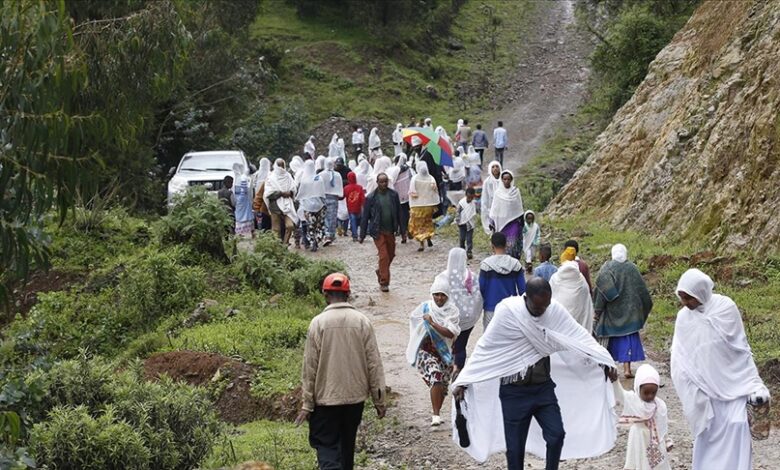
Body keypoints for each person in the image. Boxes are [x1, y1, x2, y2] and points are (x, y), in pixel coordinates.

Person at [452, 278, 617, 469]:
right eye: (538, 307)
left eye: (545, 305)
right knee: (515, 449)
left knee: (556, 435)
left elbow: (579, 337)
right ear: (526, 297)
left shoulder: (553, 310)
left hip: (542, 388)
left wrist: (604, 360)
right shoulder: (508, 312)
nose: (542, 311)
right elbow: (487, 348)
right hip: (513, 392)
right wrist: (464, 380)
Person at [671, 269, 770, 470]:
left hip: (734, 387)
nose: (685, 303)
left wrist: (752, 382)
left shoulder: (726, 308)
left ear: (701, 293)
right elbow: (680, 356)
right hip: (705, 390)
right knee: (708, 433)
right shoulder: (684, 318)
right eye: (682, 298)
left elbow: (739, 349)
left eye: (689, 298)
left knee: (737, 426)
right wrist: (690, 388)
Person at [525, 259, 616, 462]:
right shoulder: (582, 284)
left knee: (555, 381)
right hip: (572, 337)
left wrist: (603, 358)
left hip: (556, 340)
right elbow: (586, 309)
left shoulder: (555, 293)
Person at [296, 273, 387, 470]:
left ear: (325, 295)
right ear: (348, 295)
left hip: (325, 400)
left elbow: (310, 367)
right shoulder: (362, 322)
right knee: (347, 449)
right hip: (355, 400)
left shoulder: (318, 323)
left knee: (327, 449)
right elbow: (374, 363)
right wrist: (379, 400)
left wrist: (307, 404)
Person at [406, 275, 460, 427]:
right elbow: (414, 320)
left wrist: (432, 323)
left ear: (448, 296)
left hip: (445, 353)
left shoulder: (453, 311)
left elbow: (451, 333)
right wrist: (422, 328)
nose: (439, 298)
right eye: (436, 294)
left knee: (443, 385)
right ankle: (435, 415)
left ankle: (438, 411)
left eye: (443, 294)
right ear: (432, 294)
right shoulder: (425, 307)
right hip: (426, 350)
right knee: (435, 377)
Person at [594, 244, 653, 378]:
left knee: (610, 341)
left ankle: (609, 368)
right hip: (630, 313)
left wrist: (597, 311)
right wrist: (644, 308)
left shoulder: (607, 268)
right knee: (627, 338)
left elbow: (602, 292)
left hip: (612, 313)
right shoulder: (632, 268)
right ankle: (627, 369)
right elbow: (642, 291)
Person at [612, 364, 673, 470]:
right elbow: (620, 394)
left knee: (658, 465)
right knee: (640, 463)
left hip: (656, 442)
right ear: (638, 388)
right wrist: (614, 381)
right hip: (639, 439)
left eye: (653, 392)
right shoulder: (634, 401)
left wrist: (667, 440)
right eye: (646, 392)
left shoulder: (659, 405)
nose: (650, 396)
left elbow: (662, 425)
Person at [439, 248, 482, 372]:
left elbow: (435, 296)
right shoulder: (472, 277)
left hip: (448, 320)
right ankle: (459, 371)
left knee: (447, 346)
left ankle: (447, 370)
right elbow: (479, 296)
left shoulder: (443, 277)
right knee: (461, 346)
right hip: (467, 319)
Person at [359, 173, 401, 292]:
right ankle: (384, 282)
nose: (384, 184)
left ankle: (381, 271)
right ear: (377, 183)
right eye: (381, 182)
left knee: (391, 254)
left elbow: (399, 213)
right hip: (378, 231)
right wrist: (361, 235)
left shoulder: (393, 195)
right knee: (384, 256)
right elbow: (365, 217)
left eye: (385, 181)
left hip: (391, 230)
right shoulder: (371, 198)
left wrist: (403, 230)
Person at [479, 232, 525, 328]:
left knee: (490, 340)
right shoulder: (515, 264)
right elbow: (522, 290)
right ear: (506, 244)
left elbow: (481, 288)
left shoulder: (486, 265)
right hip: (510, 309)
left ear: (492, 246)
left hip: (491, 309)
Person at [488, 170, 524, 259]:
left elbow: (519, 207)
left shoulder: (515, 192)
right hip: (502, 222)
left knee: (513, 243)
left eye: (508, 179)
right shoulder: (498, 193)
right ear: (502, 180)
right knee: (502, 243)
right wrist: (492, 222)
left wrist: (522, 220)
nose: (506, 181)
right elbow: (494, 208)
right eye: (504, 179)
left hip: (513, 222)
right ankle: (503, 259)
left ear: (511, 180)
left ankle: (513, 260)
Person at [264, 159, 298, 245]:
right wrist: (280, 193)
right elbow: (268, 193)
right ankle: (277, 249)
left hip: (288, 205)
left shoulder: (288, 176)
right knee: (276, 230)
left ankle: (285, 243)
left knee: (290, 226)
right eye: (279, 165)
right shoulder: (271, 177)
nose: (280, 168)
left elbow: (294, 188)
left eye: (282, 165)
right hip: (275, 206)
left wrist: (290, 193)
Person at [296, 160, 327, 252]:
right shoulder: (319, 178)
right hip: (319, 205)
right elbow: (322, 192)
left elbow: (301, 194)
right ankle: (317, 240)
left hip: (307, 206)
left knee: (310, 225)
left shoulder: (304, 180)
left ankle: (311, 241)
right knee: (318, 224)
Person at [408, 161, 439, 252]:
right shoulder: (431, 178)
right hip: (429, 205)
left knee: (419, 225)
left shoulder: (414, 178)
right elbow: (435, 191)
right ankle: (428, 238)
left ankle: (422, 244)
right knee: (428, 222)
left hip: (417, 205)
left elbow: (412, 192)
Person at [391, 153, 413, 243]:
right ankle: (409, 230)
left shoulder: (394, 171)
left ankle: (403, 234)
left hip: (398, 196)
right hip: (407, 195)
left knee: (400, 217)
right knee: (407, 215)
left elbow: (391, 181)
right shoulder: (409, 169)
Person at [321, 159, 344, 245]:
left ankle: (327, 234)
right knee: (333, 217)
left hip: (324, 197)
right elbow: (339, 186)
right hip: (334, 197)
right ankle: (331, 234)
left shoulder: (321, 175)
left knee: (326, 216)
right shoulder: (337, 175)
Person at [232, 164, 254, 238]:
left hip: (242, 199)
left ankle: (246, 233)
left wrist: (240, 199)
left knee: (242, 216)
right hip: (241, 199)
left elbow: (243, 190)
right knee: (245, 216)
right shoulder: (237, 177)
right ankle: (245, 232)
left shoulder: (242, 178)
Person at [481, 161, 502, 235]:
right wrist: (485, 209)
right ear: (490, 169)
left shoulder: (504, 179)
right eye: (493, 167)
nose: (495, 169)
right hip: (492, 208)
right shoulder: (487, 182)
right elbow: (485, 197)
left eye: (497, 166)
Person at [456, 188, 477, 259]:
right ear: (466, 195)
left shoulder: (473, 204)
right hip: (462, 224)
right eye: (469, 197)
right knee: (462, 238)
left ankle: (469, 251)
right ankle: (462, 250)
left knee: (469, 239)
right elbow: (458, 212)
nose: (470, 199)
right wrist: (458, 221)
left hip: (470, 224)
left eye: (471, 198)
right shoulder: (461, 203)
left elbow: (473, 213)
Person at [344, 171, 365, 242]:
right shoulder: (359, 187)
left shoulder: (346, 188)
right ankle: (362, 235)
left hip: (350, 208)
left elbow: (342, 196)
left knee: (353, 222)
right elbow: (362, 198)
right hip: (359, 207)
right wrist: (364, 205)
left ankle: (355, 236)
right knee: (361, 222)